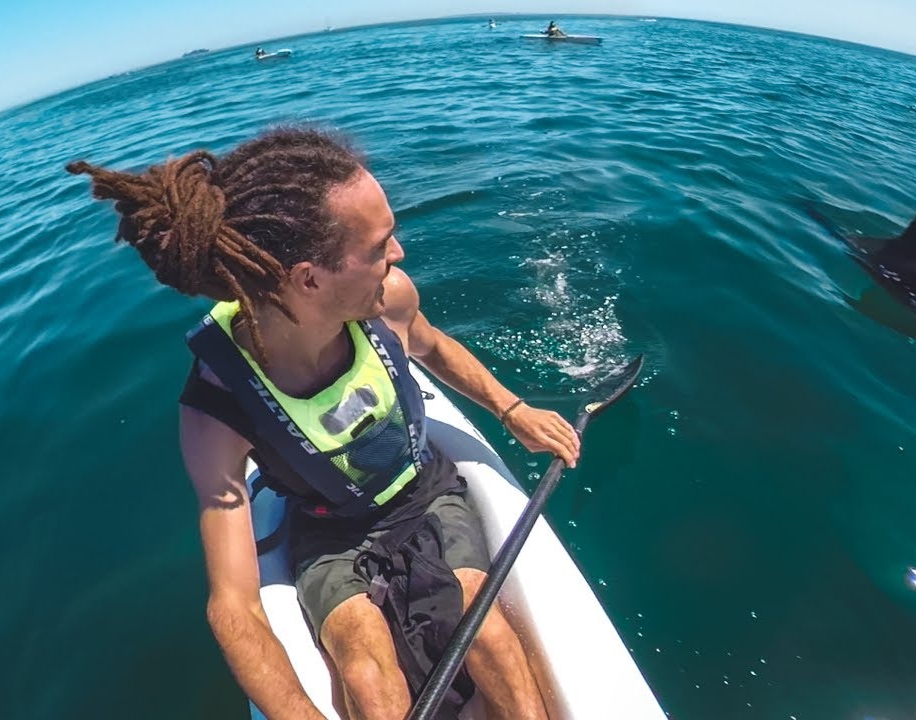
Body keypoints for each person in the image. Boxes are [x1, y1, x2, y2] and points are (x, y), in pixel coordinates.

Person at [66, 127, 574, 720]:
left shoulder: (388, 300)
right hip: (328, 534)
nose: (399, 255)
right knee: (364, 672)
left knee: (482, 629)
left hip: (426, 490)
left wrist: (512, 410)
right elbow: (235, 607)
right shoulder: (217, 409)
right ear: (309, 278)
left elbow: (433, 348)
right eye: (381, 244)